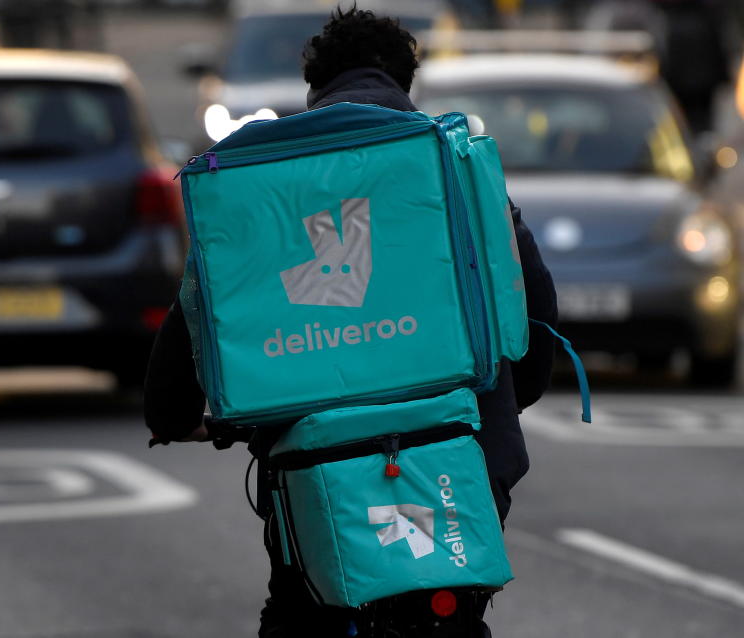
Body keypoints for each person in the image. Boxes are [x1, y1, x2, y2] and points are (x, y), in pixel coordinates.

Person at [144, 8, 558, 637]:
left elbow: (198, 317)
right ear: (406, 82)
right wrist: (502, 400)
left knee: (301, 612)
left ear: (314, 89)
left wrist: (176, 418)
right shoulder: (452, 168)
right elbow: (532, 314)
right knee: (454, 612)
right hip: (459, 461)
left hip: (315, 476)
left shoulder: (267, 183)